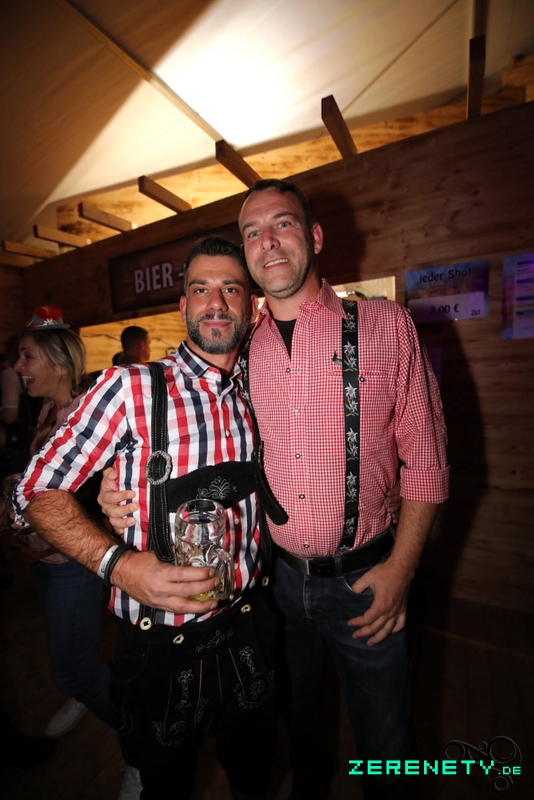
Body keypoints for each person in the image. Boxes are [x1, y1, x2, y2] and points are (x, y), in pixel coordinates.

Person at [102, 180, 448, 799]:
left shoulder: (383, 324)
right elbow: (200, 438)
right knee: (300, 730)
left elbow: (427, 460)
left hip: (367, 578)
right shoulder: (240, 349)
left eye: (282, 223)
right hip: (274, 584)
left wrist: (402, 568)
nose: (268, 241)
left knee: (389, 745)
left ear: (314, 236)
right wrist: (119, 482)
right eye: (253, 232)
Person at [13, 239, 281, 800]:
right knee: (167, 786)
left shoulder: (260, 389)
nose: (215, 302)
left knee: (255, 774)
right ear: (182, 307)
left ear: (251, 306)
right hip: (160, 645)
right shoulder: (131, 388)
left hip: (251, 624)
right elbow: (35, 492)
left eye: (230, 288)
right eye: (200, 289)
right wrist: (120, 566)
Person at [12, 307, 113, 741]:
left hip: (72, 562)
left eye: (27, 356)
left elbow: (92, 502)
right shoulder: (48, 410)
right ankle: (85, 691)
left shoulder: (85, 418)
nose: (18, 367)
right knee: (74, 655)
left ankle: (141, 747)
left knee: (72, 670)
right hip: (42, 558)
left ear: (57, 363)